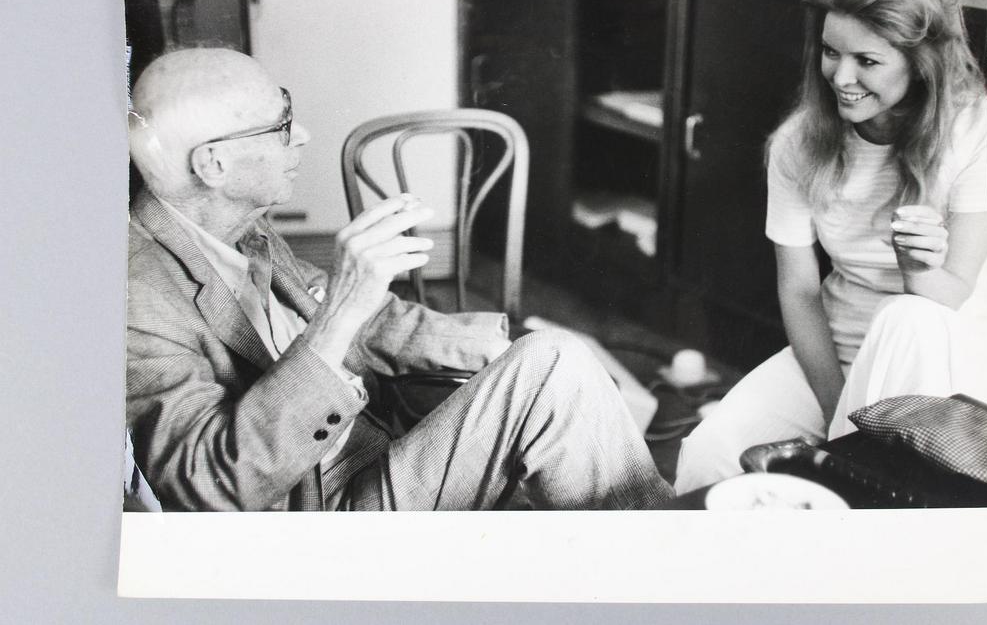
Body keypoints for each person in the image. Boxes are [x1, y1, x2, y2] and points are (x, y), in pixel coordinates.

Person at [125, 47, 672, 511]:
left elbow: (371, 319)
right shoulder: (136, 297)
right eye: (282, 125)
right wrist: (338, 314)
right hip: (322, 516)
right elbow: (211, 487)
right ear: (213, 165)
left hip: (375, 443)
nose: (305, 136)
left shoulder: (235, 226)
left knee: (555, 364)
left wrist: (498, 347)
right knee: (557, 373)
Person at [675, 0, 987, 494]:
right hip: (837, 348)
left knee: (905, 320)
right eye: (829, 52)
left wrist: (915, 268)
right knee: (710, 456)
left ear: (921, 64)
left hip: (940, 356)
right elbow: (799, 290)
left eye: (867, 61)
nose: (840, 77)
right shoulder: (798, 144)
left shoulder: (973, 130)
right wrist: (832, 409)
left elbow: (953, 294)